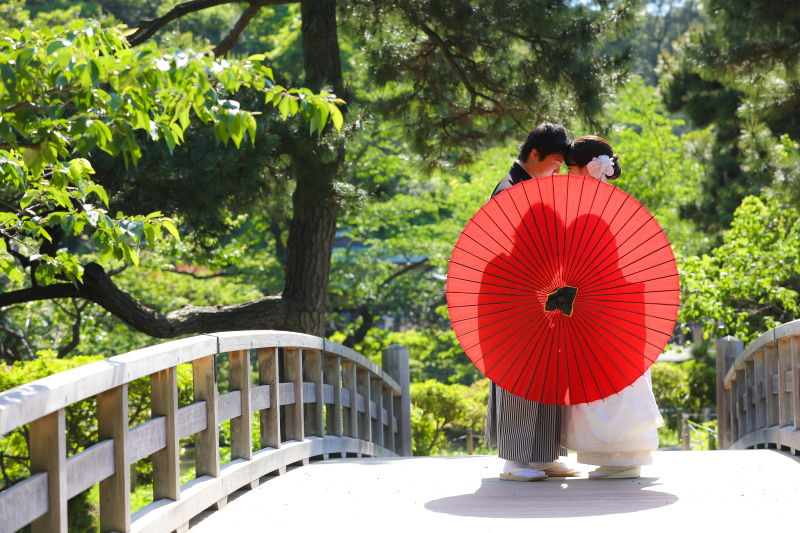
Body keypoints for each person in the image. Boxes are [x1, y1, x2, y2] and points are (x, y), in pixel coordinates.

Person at [562, 135, 664, 479]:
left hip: (602, 300)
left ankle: (620, 456)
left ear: (588, 169)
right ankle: (619, 455)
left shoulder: (587, 208)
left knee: (605, 377)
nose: (568, 175)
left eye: (571, 169)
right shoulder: (618, 203)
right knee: (614, 377)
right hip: (621, 301)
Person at [484, 122, 581, 482]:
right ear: (535, 155)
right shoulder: (507, 191)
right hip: (511, 301)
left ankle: (543, 454)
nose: (558, 171)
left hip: (542, 296)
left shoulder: (532, 188)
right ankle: (514, 458)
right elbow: (503, 252)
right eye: (556, 164)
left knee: (547, 374)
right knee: (518, 375)